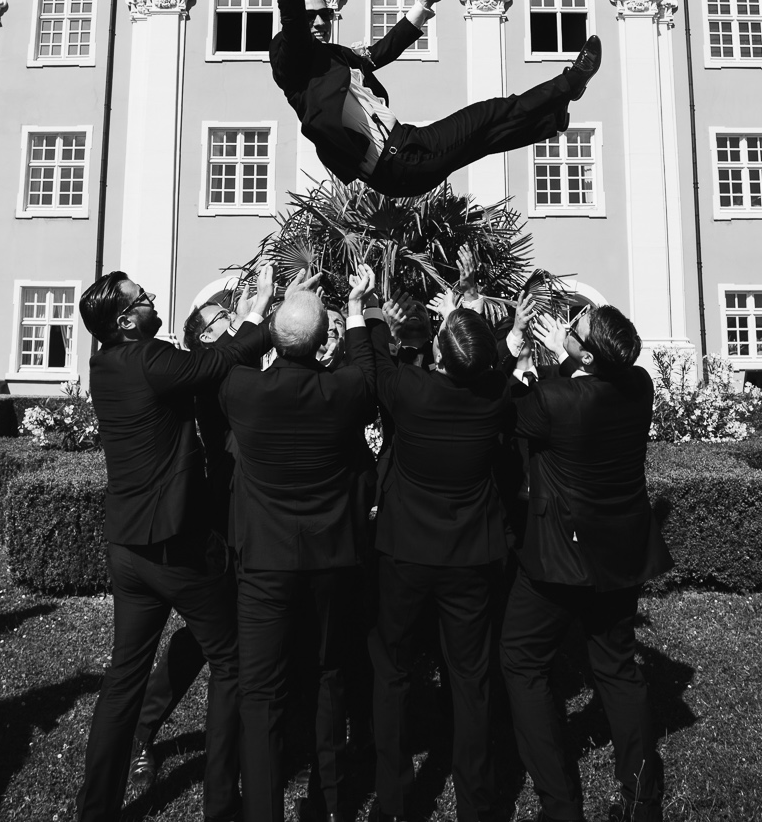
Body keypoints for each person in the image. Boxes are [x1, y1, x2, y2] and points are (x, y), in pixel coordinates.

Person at [76, 266, 276, 822]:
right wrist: (261, 309)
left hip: (127, 549)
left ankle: (94, 812)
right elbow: (214, 362)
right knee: (231, 660)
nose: (152, 299)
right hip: (174, 550)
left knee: (123, 679)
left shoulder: (104, 364)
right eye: (142, 298)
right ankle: (221, 805)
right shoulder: (149, 359)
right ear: (126, 319)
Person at [267, 0, 602, 197]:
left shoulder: (337, 58)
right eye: (311, 16)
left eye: (325, 14)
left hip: (407, 150)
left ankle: (552, 120)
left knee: (483, 137)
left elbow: (383, 50)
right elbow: (293, 18)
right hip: (397, 161)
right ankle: (571, 82)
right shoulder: (292, 62)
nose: (320, 22)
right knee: (491, 113)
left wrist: (427, 2)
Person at [218, 268, 379, 822]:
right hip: (332, 558)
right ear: (321, 344)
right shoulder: (345, 391)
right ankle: (331, 804)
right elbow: (366, 365)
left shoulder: (242, 391)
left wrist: (264, 306)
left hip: (265, 562)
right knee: (330, 675)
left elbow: (230, 356)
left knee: (261, 693)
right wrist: (357, 306)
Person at [501, 304, 671, 822]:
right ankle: (643, 800)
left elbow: (513, 415)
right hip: (619, 552)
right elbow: (572, 400)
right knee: (617, 668)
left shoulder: (555, 398)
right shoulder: (638, 384)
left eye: (575, 328)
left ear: (590, 354)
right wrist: (568, 355)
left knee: (522, 660)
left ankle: (560, 802)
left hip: (558, 556)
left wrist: (535, 360)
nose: (567, 326)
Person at [361, 293, 518, 822]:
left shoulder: (412, 390)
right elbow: (502, 363)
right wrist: (467, 319)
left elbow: (377, 360)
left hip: (405, 551)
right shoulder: (497, 395)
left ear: (440, 356)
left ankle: (396, 801)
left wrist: (373, 312)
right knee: (471, 679)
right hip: (470, 554)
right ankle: (477, 803)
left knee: (393, 673)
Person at [126, 292, 243, 798]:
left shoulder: (250, 364)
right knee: (204, 640)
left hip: (258, 520)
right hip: (218, 521)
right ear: (199, 339)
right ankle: (142, 731)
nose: (231, 321)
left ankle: (281, 743)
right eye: (218, 319)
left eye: (230, 314)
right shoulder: (200, 378)